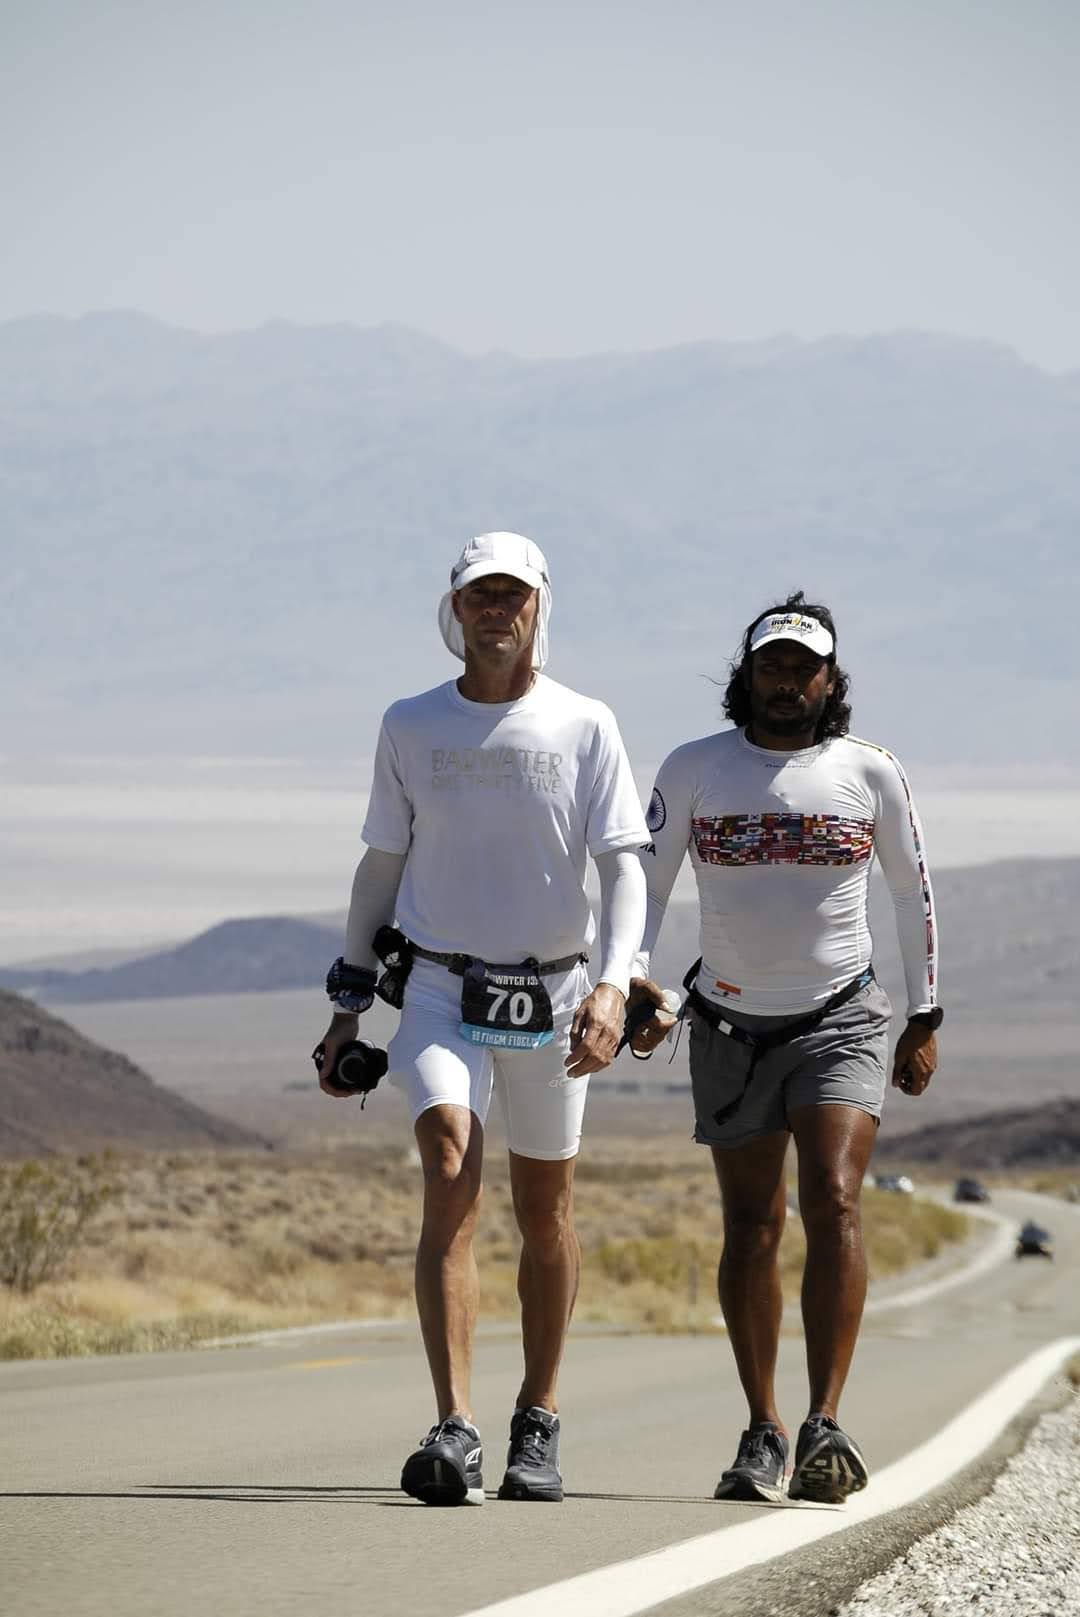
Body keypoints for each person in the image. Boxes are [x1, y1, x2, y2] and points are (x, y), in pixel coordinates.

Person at [314, 532, 649, 1507]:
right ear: (454, 609)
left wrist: (614, 986)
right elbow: (381, 865)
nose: (496, 610)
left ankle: (537, 1417)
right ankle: (453, 1426)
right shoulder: (411, 724)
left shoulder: (585, 723)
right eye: (479, 595)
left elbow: (624, 867)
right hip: (438, 990)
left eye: (512, 595)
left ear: (539, 606)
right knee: (449, 1164)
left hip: (556, 998)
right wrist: (345, 1008)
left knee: (545, 1212)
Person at [628, 591, 940, 1506]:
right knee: (753, 1225)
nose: (787, 682)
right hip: (728, 1026)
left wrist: (925, 1013)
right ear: (748, 674)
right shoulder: (695, 768)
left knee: (834, 1198)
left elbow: (911, 890)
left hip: (842, 1018)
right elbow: (645, 885)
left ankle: (823, 1422)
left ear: (830, 681)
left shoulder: (870, 771)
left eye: (805, 668)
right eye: (773, 665)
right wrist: (633, 979)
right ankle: (762, 1425)